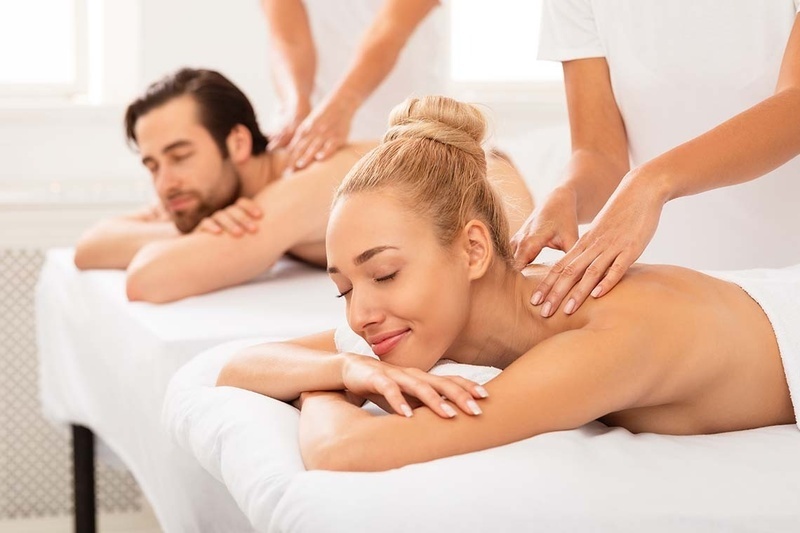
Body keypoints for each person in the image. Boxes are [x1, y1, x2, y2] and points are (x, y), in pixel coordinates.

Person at [217, 96, 798, 472]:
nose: (359, 315)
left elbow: (343, 450)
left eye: (385, 273)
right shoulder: (445, 312)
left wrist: (318, 389)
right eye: (343, 289)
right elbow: (240, 366)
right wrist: (343, 370)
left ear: (473, 250)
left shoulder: (602, 343)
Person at [73, 69, 533, 304]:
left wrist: (189, 232)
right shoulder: (212, 195)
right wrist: (197, 226)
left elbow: (147, 279)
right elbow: (89, 247)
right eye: (152, 165)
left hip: (508, 197)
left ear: (236, 142)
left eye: (180, 156)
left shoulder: (301, 186)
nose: (165, 183)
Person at [511, 0, 800, 318]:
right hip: (671, 290)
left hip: (787, 284)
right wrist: (566, 194)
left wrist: (653, 182)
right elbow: (600, 154)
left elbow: (795, 107)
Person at [262, 0, 444, 171]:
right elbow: (288, 39)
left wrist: (342, 106)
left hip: (403, 120)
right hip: (306, 127)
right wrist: (295, 106)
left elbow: (390, 30)